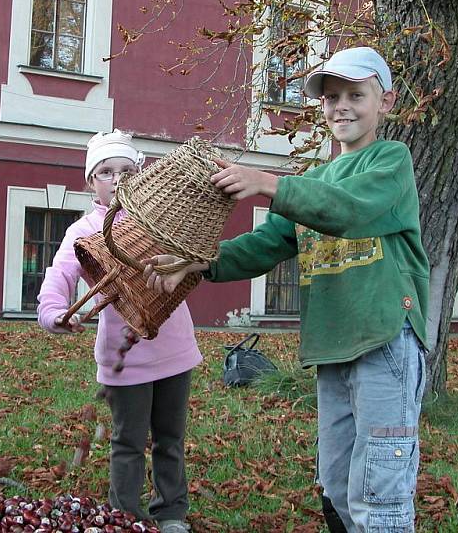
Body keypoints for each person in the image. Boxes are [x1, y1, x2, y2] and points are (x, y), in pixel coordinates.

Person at [145, 47, 431, 533]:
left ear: (385, 101)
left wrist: (266, 182)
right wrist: (199, 262)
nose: (341, 106)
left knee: (379, 484)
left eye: (356, 95)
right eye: (331, 96)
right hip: (333, 345)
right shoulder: (312, 179)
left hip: (385, 338)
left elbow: (345, 209)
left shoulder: (390, 161)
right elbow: (266, 243)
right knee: (338, 482)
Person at [37, 129, 201, 533]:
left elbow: (193, 254)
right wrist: (54, 311)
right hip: (123, 358)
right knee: (128, 441)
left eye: (127, 170)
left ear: (141, 175)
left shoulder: (159, 221)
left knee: (169, 438)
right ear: (91, 181)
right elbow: (60, 273)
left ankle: (171, 512)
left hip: (174, 349)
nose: (117, 178)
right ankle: (124, 517)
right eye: (107, 172)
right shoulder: (84, 231)